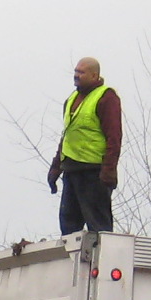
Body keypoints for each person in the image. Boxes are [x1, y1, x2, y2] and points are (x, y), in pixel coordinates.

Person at [46, 56, 121, 234]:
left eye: (81, 72)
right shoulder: (72, 99)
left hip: (94, 172)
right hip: (72, 170)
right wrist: (56, 168)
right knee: (69, 226)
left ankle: (103, 261)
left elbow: (114, 136)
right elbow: (67, 136)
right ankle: (74, 261)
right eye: (76, 71)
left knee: (98, 225)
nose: (76, 75)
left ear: (95, 76)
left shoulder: (106, 98)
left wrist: (109, 170)